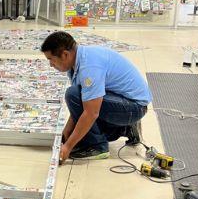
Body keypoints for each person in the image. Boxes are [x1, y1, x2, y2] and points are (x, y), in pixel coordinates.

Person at [41, 31, 150, 161]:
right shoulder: (78, 61)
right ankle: (126, 128)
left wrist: (68, 147)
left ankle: (98, 147)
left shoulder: (89, 67)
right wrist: (67, 132)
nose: (51, 65)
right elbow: (81, 104)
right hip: (128, 100)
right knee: (82, 121)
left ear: (65, 55)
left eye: (51, 60)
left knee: (73, 95)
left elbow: (91, 112)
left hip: (134, 107)